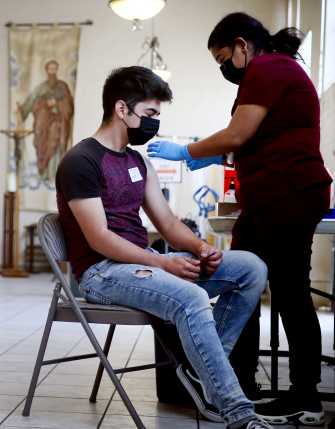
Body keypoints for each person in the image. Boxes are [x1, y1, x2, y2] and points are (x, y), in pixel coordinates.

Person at [56, 66, 271, 429]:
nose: (154, 123)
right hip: (101, 273)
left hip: (143, 265)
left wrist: (201, 249)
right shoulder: (81, 161)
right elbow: (100, 239)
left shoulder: (138, 162)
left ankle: (200, 369)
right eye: (151, 114)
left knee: (251, 268)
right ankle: (238, 412)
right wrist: (162, 264)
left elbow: (169, 225)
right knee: (191, 298)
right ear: (122, 110)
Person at [147, 13, 332, 426]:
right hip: (267, 196)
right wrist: (216, 155)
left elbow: (237, 134)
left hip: (287, 191)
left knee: (289, 293)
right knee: (242, 279)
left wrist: (187, 151)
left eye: (222, 57)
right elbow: (252, 139)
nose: (223, 67)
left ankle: (306, 397)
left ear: (242, 45)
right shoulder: (271, 71)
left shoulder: (269, 66)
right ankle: (240, 386)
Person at [19, 60, 74, 180]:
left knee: (56, 145)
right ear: (46, 71)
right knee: (43, 145)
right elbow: (31, 100)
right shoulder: (41, 87)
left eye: (55, 69)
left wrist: (58, 103)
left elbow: (69, 103)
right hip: (44, 123)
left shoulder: (63, 86)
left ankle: (55, 174)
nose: (52, 71)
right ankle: (43, 173)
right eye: (50, 69)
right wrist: (22, 110)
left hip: (59, 122)